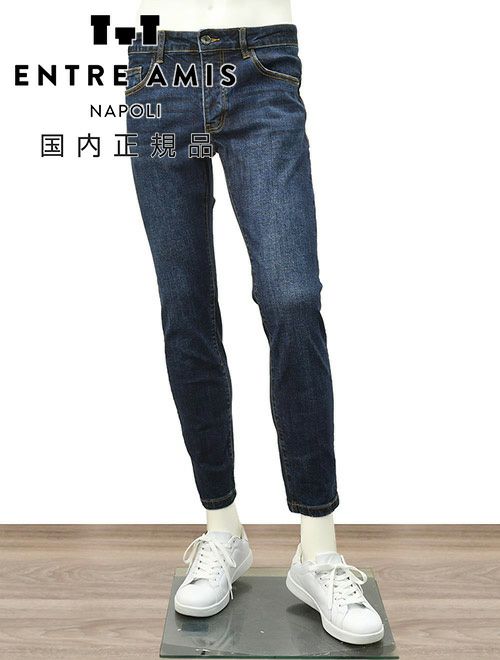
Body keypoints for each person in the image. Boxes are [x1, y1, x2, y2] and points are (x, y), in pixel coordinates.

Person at [127, 0, 384, 644]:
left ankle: (318, 552)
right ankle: (222, 530)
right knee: (186, 307)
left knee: (291, 299)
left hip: (260, 62)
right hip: (160, 67)